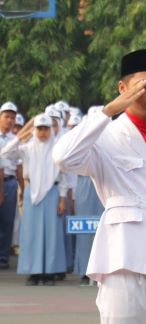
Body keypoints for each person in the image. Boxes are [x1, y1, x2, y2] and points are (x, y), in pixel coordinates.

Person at [52, 49, 146, 323]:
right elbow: (62, 157)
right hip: (124, 260)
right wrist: (109, 110)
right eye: (143, 86)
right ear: (123, 88)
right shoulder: (104, 136)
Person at [1, 113, 68, 285]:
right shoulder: (28, 148)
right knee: (32, 234)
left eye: (46, 129)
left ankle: (49, 272)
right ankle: (33, 272)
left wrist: (62, 198)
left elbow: (64, 175)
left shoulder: (57, 148)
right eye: (39, 129)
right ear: (34, 130)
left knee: (51, 234)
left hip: (53, 193)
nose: (43, 133)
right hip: (32, 193)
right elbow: (5, 153)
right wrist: (21, 136)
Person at [0, 101, 19, 270]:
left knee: (7, 220)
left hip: (10, 182)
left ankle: (3, 256)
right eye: (6, 116)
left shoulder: (15, 140)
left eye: (12, 117)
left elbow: (19, 165)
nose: (10, 120)